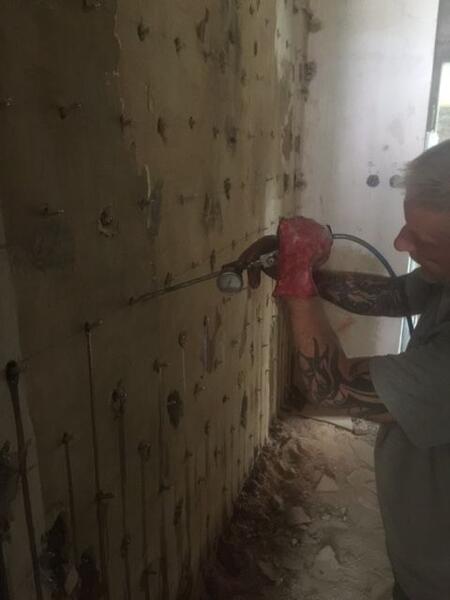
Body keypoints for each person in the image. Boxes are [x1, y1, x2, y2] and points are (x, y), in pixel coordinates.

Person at [238, 139, 450, 599]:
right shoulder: (444, 275)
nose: (401, 243)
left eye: (424, 240)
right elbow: (393, 295)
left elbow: (334, 388)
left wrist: (298, 283)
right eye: (407, 227)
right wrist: (293, 268)